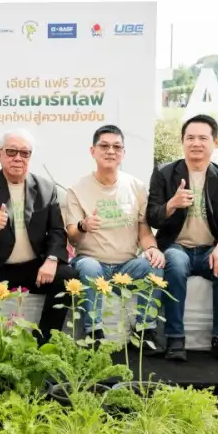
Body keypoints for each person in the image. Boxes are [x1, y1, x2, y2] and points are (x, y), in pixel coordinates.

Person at [0, 129, 77, 342]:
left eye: (24, 153)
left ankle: (44, 344)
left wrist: (52, 260)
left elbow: (57, 231)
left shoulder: (46, 188)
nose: (18, 158)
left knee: (67, 275)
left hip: (34, 266)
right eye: (11, 151)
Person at [147, 115, 218, 362]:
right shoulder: (164, 174)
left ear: (215, 142)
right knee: (175, 264)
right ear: (182, 141)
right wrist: (171, 204)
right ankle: (175, 338)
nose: (196, 143)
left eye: (203, 138)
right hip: (177, 246)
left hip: (211, 248)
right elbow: (152, 217)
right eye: (190, 138)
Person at [64, 125, 165, 353]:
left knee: (155, 263)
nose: (111, 151)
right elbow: (71, 235)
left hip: (126, 266)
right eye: (104, 146)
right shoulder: (77, 189)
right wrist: (83, 226)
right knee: (89, 266)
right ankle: (94, 332)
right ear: (92, 151)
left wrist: (152, 248)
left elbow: (144, 229)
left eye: (117, 147)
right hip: (91, 262)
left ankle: (145, 330)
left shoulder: (136, 187)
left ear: (123, 153)